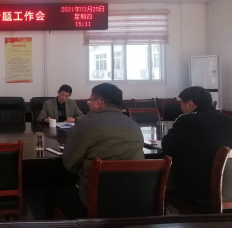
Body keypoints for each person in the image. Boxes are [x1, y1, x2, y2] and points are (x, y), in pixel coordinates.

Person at [53, 83, 144, 216]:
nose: (89, 104)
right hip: (133, 198)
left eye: (90, 101)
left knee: (53, 191)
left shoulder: (85, 123)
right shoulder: (134, 125)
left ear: (98, 102)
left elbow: (70, 163)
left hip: (96, 198)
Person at [162, 86, 232, 211]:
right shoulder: (229, 120)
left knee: (166, 175)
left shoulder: (186, 120)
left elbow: (168, 147)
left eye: (181, 104)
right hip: (228, 188)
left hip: (199, 192)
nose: (181, 107)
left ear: (190, 104)